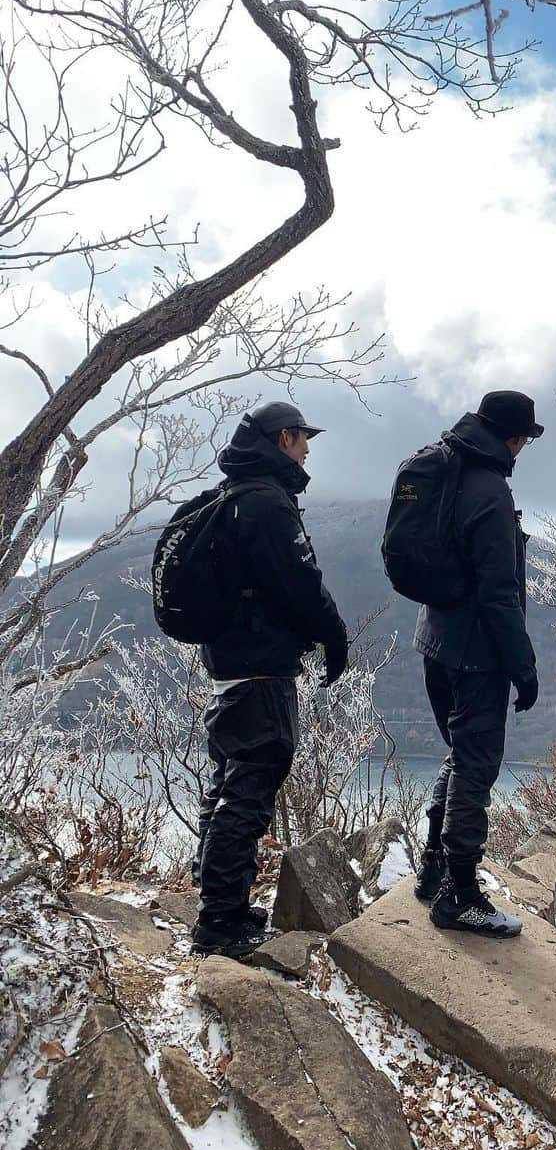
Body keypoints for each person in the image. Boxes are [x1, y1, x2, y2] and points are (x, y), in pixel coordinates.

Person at [191, 401, 350, 958]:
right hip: (261, 668)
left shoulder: (232, 497)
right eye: (304, 438)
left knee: (230, 779)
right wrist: (335, 638)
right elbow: (302, 583)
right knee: (252, 785)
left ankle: (218, 897)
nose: (308, 449)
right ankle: (220, 922)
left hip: (231, 667)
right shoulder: (266, 503)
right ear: (284, 438)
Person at [412, 391, 542, 937]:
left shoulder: (448, 466)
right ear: (514, 438)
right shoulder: (490, 491)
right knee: (476, 766)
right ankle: (459, 893)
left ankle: (433, 868)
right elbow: (499, 596)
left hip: (435, 640)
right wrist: (524, 666)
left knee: (459, 754)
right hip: (477, 655)